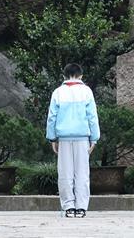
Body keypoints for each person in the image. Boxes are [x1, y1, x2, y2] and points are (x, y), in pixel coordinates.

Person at [46, 62, 100, 218]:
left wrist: (52, 138)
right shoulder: (86, 92)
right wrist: (94, 138)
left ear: (64, 75)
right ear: (81, 75)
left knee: (65, 173)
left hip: (63, 138)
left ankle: (68, 207)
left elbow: (51, 118)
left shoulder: (58, 92)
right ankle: (81, 207)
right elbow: (92, 116)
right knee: (82, 173)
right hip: (82, 138)